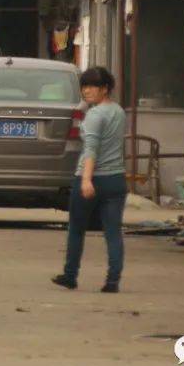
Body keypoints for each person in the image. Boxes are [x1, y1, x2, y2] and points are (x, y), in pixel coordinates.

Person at [52, 66, 127, 293]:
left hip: (93, 177)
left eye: (92, 86)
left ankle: (70, 275)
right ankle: (112, 281)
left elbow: (91, 150)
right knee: (113, 231)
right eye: (84, 86)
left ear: (105, 89)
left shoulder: (95, 115)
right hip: (116, 179)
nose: (86, 91)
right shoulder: (118, 111)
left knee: (76, 228)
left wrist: (86, 180)